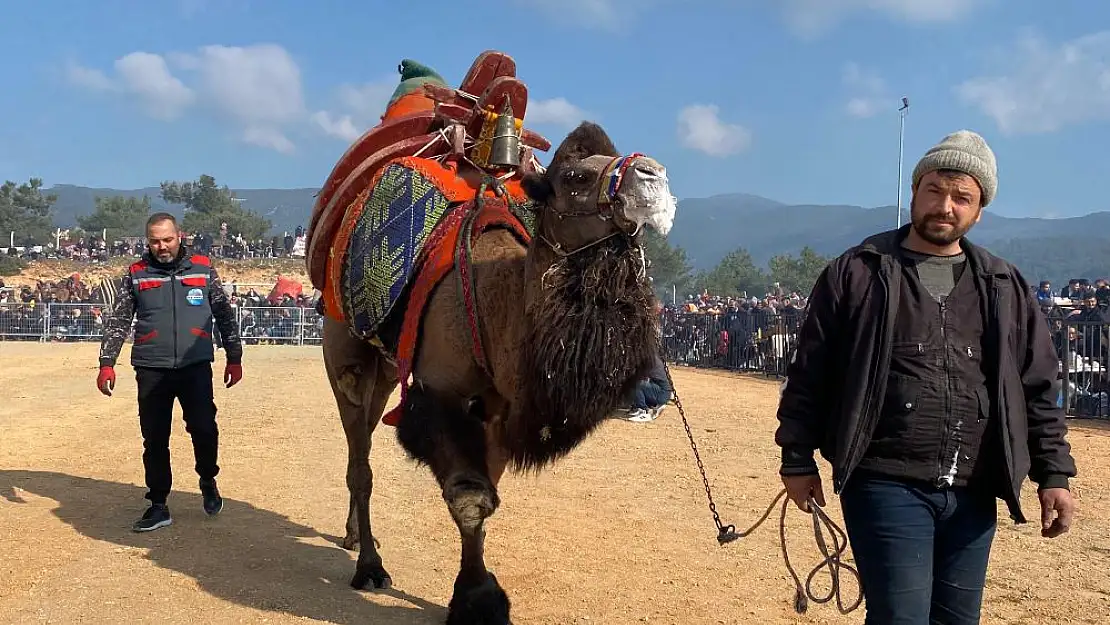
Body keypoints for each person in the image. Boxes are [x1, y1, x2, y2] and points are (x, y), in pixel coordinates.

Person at [774, 130, 1078, 624]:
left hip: (975, 486)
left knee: (958, 620)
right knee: (900, 618)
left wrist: (1054, 474)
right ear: (914, 192)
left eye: (963, 197)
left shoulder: (1004, 285)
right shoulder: (857, 272)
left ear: (979, 210)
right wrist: (796, 457)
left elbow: (1038, 386)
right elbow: (811, 372)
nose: (946, 206)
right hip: (884, 478)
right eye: (935, 190)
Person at [97, 212, 244, 533]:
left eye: (167, 239)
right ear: (147, 241)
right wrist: (106, 362)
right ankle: (158, 504)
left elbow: (224, 314)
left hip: (195, 366)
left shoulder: (204, 269)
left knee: (204, 428)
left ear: (180, 236)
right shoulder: (136, 274)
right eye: (154, 241)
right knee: (155, 438)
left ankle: (207, 478)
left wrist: (234, 356)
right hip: (151, 367)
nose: (161, 246)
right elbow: (119, 320)